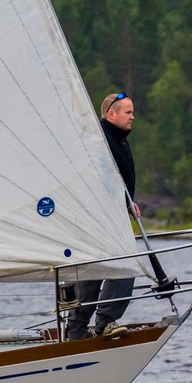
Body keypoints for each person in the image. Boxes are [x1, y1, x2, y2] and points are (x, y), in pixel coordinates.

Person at [66, 92, 140, 339]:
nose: (132, 116)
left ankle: (76, 331)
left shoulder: (119, 139)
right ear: (111, 114)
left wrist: (128, 203)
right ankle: (104, 322)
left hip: (110, 215)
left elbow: (118, 178)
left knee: (94, 271)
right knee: (124, 266)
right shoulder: (100, 140)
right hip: (100, 218)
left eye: (132, 111)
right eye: (127, 112)